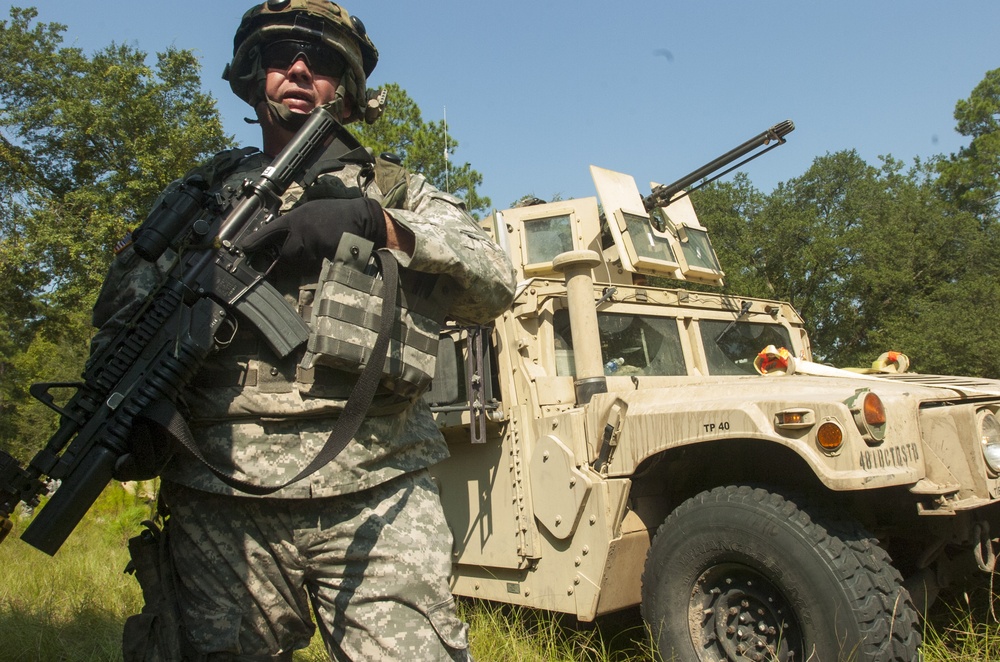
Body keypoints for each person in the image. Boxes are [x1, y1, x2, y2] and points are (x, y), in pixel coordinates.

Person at [90, 1, 516, 659]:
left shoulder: (396, 191)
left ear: (345, 89)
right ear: (251, 74)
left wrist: (381, 226)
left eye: (317, 60)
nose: (296, 69)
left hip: (375, 490)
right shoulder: (199, 200)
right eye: (280, 55)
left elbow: (497, 283)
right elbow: (122, 327)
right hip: (220, 496)